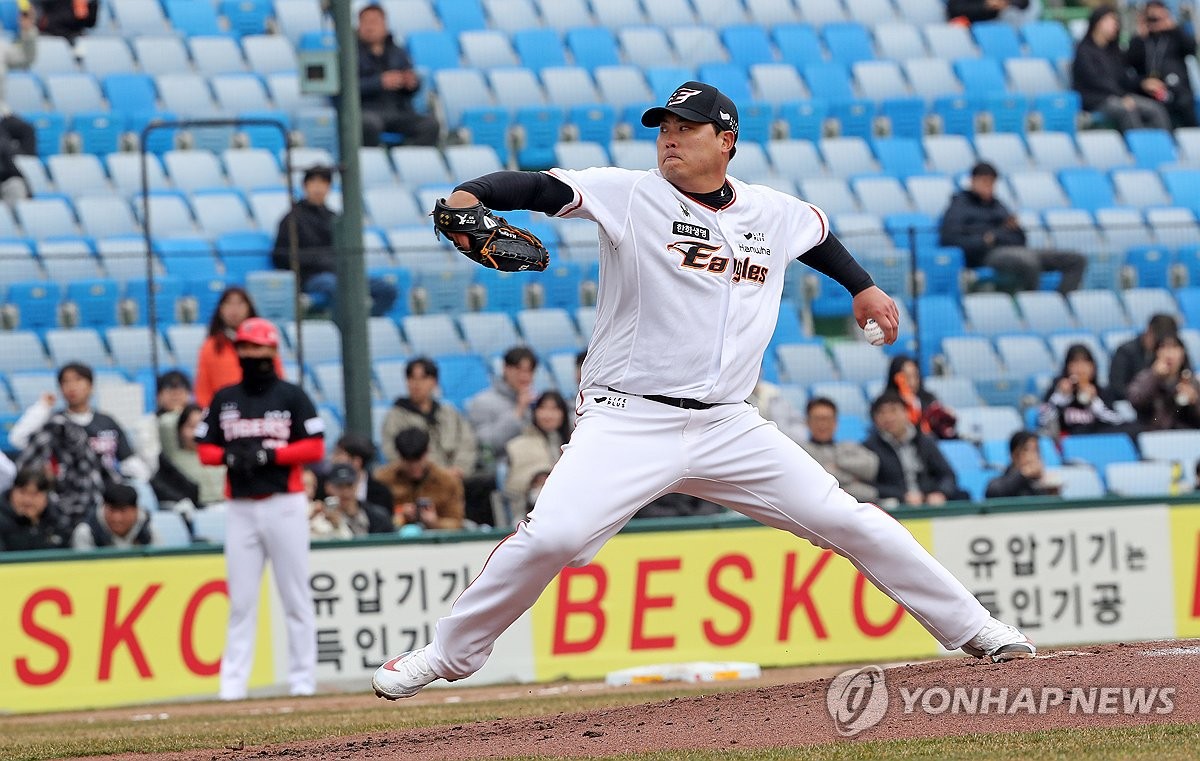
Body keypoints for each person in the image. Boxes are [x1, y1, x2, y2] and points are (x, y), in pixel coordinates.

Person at [371, 80, 1035, 702]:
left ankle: (977, 628)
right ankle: (450, 653)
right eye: (664, 126)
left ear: (726, 141)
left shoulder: (770, 211)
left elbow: (818, 233)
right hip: (628, 419)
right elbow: (540, 187)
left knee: (845, 517)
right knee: (556, 536)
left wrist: (860, 285)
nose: (669, 137)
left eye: (686, 128)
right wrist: (466, 196)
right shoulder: (632, 194)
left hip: (727, 424)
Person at [195, 317, 326, 700]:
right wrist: (231, 456)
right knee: (241, 601)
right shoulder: (225, 398)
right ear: (239, 352)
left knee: (296, 597)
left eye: (261, 348)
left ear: (273, 352)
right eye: (248, 348)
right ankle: (232, 686)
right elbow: (205, 450)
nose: (254, 355)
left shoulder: (292, 396)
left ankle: (303, 682)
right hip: (239, 508)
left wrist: (272, 453)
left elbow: (315, 447)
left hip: (285, 503)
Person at [12, 362, 150, 538]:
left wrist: (143, 483)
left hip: (109, 497)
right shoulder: (56, 424)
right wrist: (42, 408)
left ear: (91, 386)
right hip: (68, 500)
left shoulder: (106, 422)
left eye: (78, 380)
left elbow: (128, 460)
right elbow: (18, 439)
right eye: (65, 382)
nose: (72, 387)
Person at [271, 165, 398, 317]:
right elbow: (280, 256)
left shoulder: (334, 218)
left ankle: (363, 321)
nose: (318, 188)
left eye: (323, 183)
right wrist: (316, 259)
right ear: (305, 186)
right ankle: (346, 328)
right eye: (313, 182)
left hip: (340, 274)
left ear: (329, 187)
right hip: (311, 278)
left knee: (387, 289)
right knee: (334, 286)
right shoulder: (291, 219)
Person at [939, 162, 1086, 294]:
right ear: (972, 181)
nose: (988, 188)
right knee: (1027, 262)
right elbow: (950, 239)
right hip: (986, 256)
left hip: (1016, 250)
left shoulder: (997, 206)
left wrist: (998, 235)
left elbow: (1019, 238)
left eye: (991, 183)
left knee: (1075, 260)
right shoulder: (959, 207)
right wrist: (983, 241)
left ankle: (1063, 303)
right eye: (984, 182)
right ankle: (1031, 306)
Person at [1072, 6, 1172, 131]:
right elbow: (1095, 81)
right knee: (1127, 111)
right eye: (1111, 20)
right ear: (1098, 23)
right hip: (1095, 100)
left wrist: (1143, 83)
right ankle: (1139, 147)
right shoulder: (1084, 51)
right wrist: (1121, 96)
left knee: (1156, 109)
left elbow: (1124, 78)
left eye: (1116, 21)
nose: (1115, 25)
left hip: (1119, 97)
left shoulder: (1114, 51)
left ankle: (1163, 146)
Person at [864, 392, 969, 507]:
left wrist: (941, 493)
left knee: (962, 496)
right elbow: (869, 485)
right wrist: (902, 495)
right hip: (895, 504)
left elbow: (947, 475)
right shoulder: (870, 447)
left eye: (893, 411)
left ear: (906, 413)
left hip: (929, 499)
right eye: (882, 413)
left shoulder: (925, 441)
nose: (888, 417)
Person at [356, 3, 439, 148]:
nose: (369, 27)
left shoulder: (398, 51)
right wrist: (380, 82)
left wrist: (411, 83)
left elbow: (412, 86)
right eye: (365, 22)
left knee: (430, 125)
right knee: (368, 125)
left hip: (398, 110)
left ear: (384, 25)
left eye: (374, 22)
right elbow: (348, 89)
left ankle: (408, 159)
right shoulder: (350, 54)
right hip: (368, 110)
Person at [380, 357, 478, 478]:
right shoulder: (395, 416)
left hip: (455, 478)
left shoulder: (449, 412)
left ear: (434, 382)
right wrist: (431, 474)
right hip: (417, 480)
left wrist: (459, 469)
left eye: (423, 378)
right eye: (411, 378)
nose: (416, 384)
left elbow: (467, 444)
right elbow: (392, 452)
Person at [194, 286, 284, 408]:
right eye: (229, 303)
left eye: (240, 304)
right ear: (220, 309)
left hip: (264, 411)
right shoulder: (210, 347)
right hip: (225, 412)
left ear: (249, 307)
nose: (234, 310)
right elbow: (203, 389)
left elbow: (278, 378)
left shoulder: (265, 343)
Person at [374, 427, 465, 531]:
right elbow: (374, 520)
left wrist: (435, 522)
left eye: (418, 460)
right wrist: (400, 515)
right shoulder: (382, 480)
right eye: (408, 461)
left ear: (427, 452)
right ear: (399, 455)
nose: (414, 467)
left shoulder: (448, 481)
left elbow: (457, 522)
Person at [1127, 1, 1198, 129]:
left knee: (1186, 108)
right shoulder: (1140, 41)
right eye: (1151, 18)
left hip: (1179, 92)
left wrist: (1173, 27)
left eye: (1158, 17)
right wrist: (1139, 36)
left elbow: (1191, 49)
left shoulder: (1175, 35)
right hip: (1151, 94)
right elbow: (1127, 66)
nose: (1155, 22)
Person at [502, 390, 571, 521]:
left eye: (554, 409)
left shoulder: (575, 444)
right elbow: (514, 486)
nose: (548, 415)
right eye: (543, 408)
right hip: (529, 514)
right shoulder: (519, 445)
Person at [799, 397, 880, 502]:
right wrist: (852, 477)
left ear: (835, 423)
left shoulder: (849, 447)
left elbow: (872, 465)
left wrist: (840, 463)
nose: (823, 424)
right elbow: (814, 481)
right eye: (818, 419)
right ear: (807, 422)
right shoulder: (800, 451)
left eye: (827, 419)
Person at [1037, 343, 1126, 439]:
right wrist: (1061, 397)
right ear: (1067, 367)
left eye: (1085, 362)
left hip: (1097, 441)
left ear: (1093, 367)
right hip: (1066, 442)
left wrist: (1094, 401)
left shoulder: (1103, 391)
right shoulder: (1057, 389)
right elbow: (1043, 421)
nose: (1080, 368)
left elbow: (1117, 421)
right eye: (1075, 363)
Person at [466, 346, 538, 459]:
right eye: (519, 369)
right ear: (505, 368)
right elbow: (484, 443)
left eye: (529, 371)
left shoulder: (535, 402)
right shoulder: (482, 401)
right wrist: (518, 413)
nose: (525, 376)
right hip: (502, 466)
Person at [152, 403, 227, 511]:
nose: (197, 432)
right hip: (196, 511)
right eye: (191, 427)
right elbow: (165, 424)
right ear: (179, 430)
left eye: (201, 426)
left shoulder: (217, 454)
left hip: (225, 507)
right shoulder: (173, 454)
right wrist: (177, 409)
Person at [0, 8, 37, 205]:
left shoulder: (2, 47)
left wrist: (28, 32)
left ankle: (25, 178)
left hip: (2, 113)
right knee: (3, 144)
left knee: (27, 131)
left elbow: (25, 58)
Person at [1126, 333, 1200, 430]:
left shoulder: (1190, 380)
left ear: (1183, 354)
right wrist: (1154, 376)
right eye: (1163, 348)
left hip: (1185, 434)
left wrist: (1195, 401)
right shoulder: (1145, 377)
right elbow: (1136, 401)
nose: (1169, 354)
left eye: (1174, 348)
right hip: (1151, 431)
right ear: (1156, 353)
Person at [884, 355, 958, 440]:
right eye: (906, 377)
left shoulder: (929, 399)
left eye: (915, 376)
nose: (912, 383)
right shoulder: (888, 405)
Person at [312, 462, 392, 539]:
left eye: (349, 485)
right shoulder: (320, 519)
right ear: (328, 487)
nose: (345, 492)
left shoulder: (378, 516)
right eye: (339, 486)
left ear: (357, 485)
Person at [1109, 313, 1179, 400]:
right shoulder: (1125, 352)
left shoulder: (1171, 355)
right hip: (1132, 402)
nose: (1164, 349)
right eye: (1160, 343)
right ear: (1149, 331)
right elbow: (1118, 387)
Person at [71, 482, 155, 550]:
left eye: (123, 511)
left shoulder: (149, 530)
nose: (116, 518)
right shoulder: (86, 533)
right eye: (112, 510)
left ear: (135, 510)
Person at [0, 467, 64, 551]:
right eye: (22, 492)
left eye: (35, 494)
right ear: (12, 491)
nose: (28, 500)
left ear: (46, 497)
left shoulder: (58, 521)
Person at [985, 432, 1062, 499]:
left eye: (1036, 450)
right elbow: (993, 493)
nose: (1034, 456)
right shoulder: (1000, 483)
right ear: (1014, 455)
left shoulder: (1038, 485)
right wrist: (1023, 475)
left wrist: (1051, 494)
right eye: (1028, 450)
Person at [327, 433, 394, 511]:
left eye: (339, 454)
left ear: (356, 462)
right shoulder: (324, 486)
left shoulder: (380, 492)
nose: (333, 459)